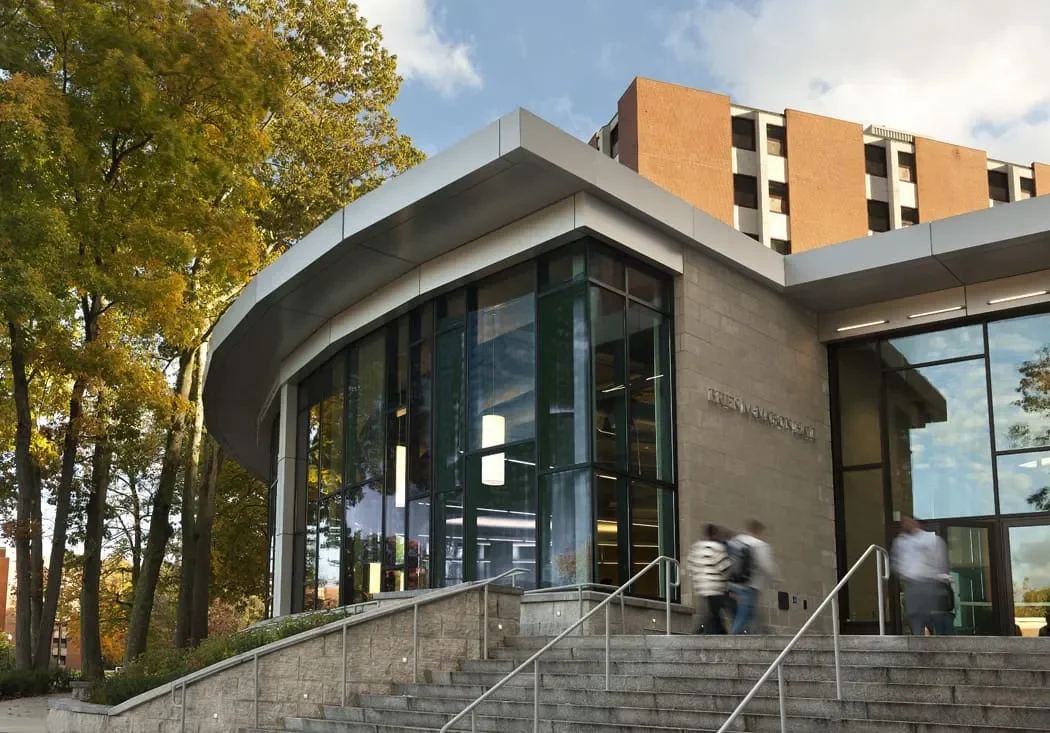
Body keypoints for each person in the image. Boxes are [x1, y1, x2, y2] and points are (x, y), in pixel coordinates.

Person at [890, 516, 954, 636]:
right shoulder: (902, 542)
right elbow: (897, 563)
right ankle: (919, 642)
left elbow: (941, 562)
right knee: (916, 617)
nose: (906, 524)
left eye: (908, 521)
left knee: (931, 617)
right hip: (912, 585)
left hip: (929, 583)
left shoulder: (931, 539)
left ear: (917, 522)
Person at [727, 520, 778, 635]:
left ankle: (754, 635)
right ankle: (734, 639)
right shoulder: (760, 545)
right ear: (759, 531)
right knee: (744, 613)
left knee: (748, 613)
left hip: (733, 583)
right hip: (750, 585)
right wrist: (775, 579)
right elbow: (766, 565)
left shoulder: (736, 540)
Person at [688, 523, 732, 634]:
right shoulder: (717, 547)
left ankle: (706, 632)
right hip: (715, 587)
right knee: (716, 614)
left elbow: (689, 566)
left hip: (701, 587)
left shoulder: (696, 548)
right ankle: (701, 634)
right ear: (715, 534)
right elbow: (725, 568)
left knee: (711, 613)